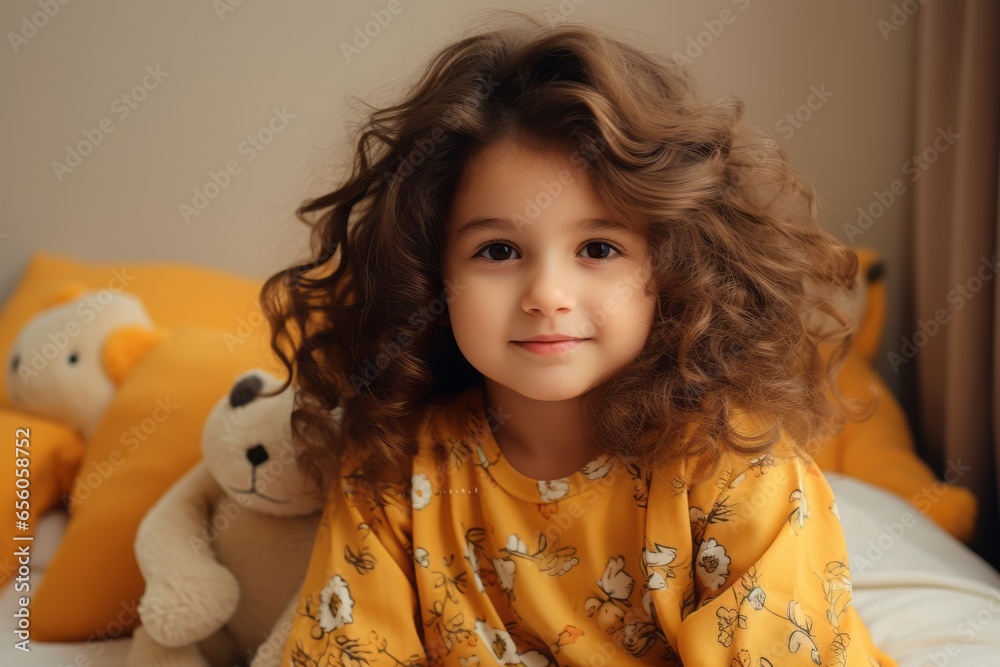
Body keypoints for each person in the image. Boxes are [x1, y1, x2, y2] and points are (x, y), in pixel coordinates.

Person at [261, 11, 897, 666]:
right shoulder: (394, 470)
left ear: (670, 268)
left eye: (598, 247)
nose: (547, 293)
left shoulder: (738, 469)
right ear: (431, 273)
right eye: (499, 249)